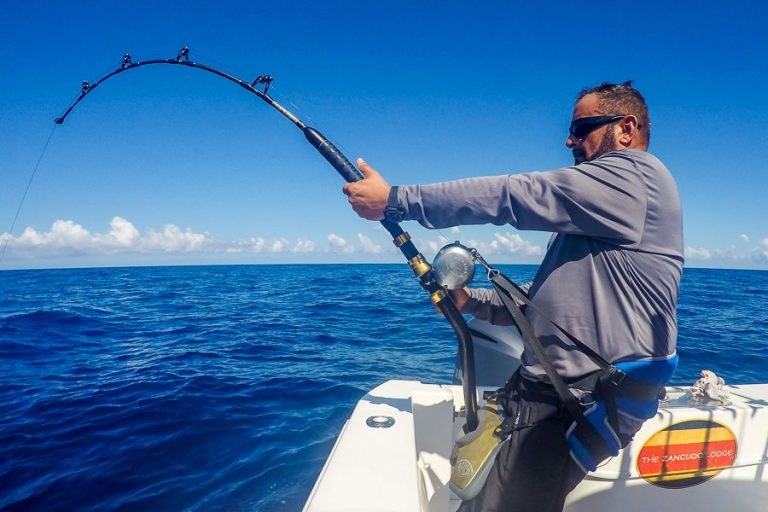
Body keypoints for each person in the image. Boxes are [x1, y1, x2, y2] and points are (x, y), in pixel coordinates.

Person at [343, 82, 683, 512]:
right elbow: (542, 302)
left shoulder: (636, 176)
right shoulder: (606, 210)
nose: (569, 140)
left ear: (626, 129)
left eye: (581, 128)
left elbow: (514, 194)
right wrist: (472, 302)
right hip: (552, 390)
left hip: (580, 397)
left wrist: (396, 201)